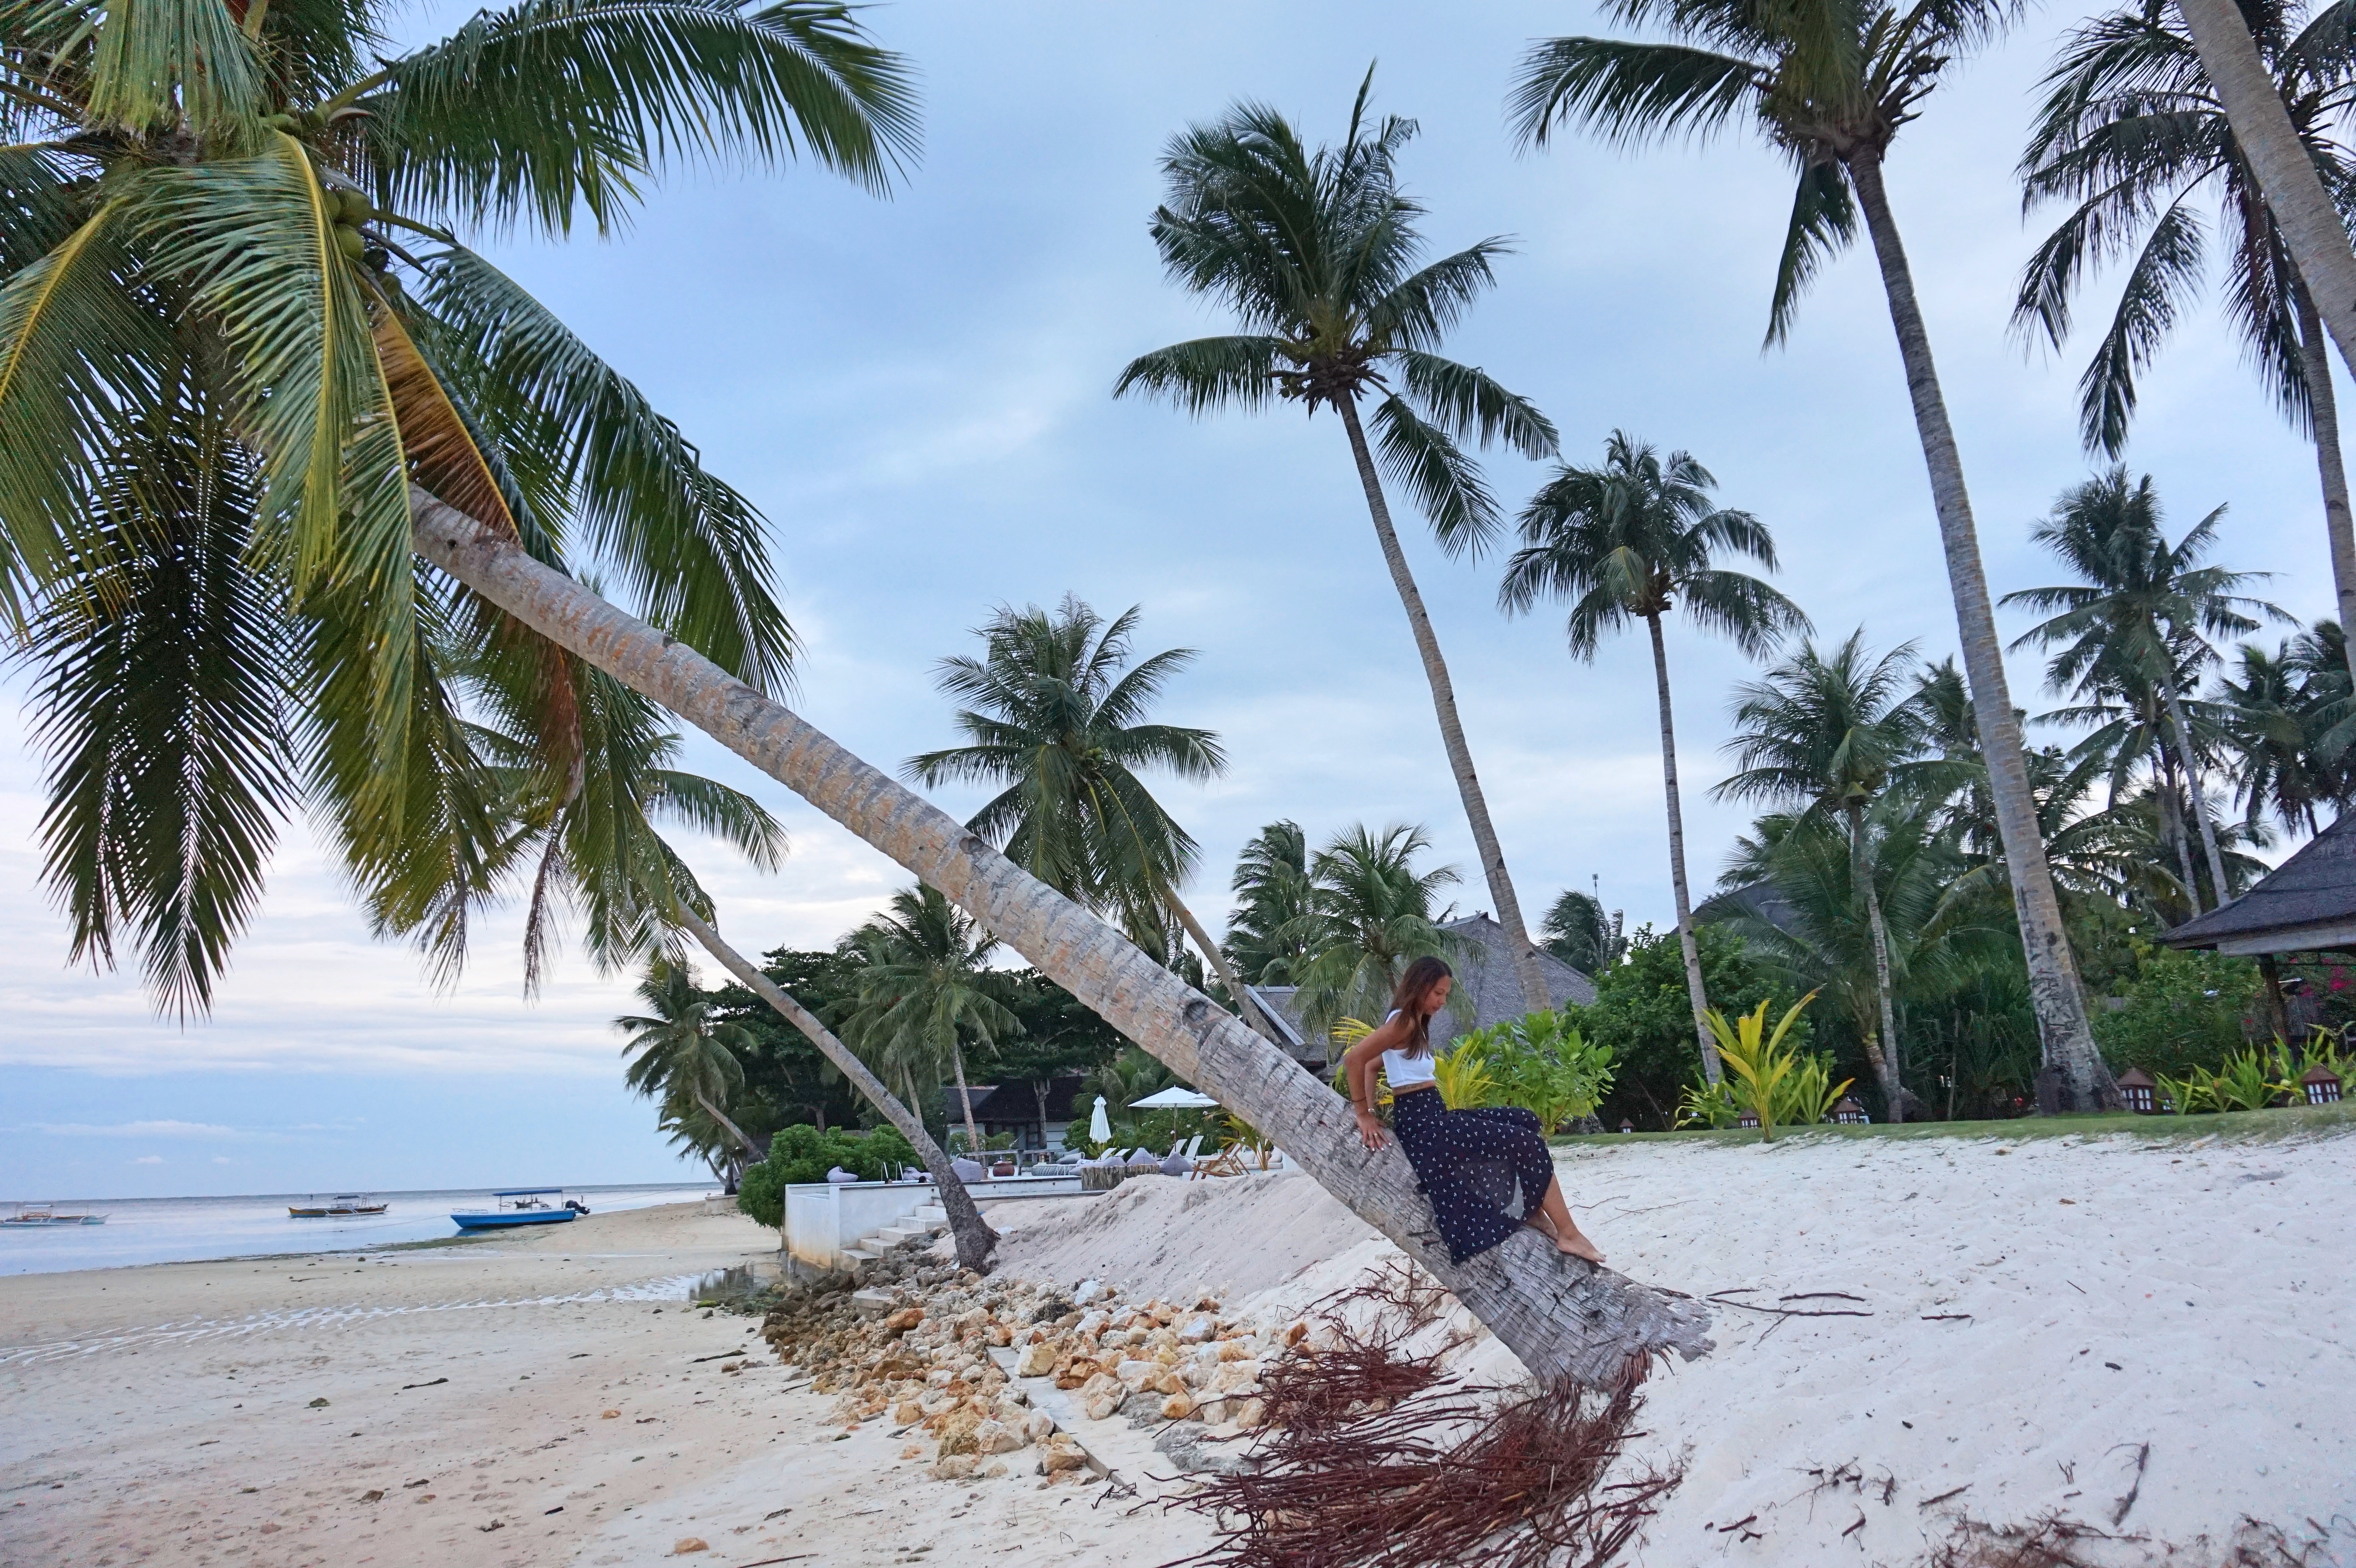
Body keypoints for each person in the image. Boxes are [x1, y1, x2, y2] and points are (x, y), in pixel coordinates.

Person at [1340, 956, 1604, 1266]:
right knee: (1528, 1143)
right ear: (1421, 987)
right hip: (1425, 1126)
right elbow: (1356, 1060)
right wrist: (1364, 1114)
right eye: (1438, 993)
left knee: (1526, 1120)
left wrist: (1374, 1108)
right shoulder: (1405, 1022)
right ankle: (1568, 1233)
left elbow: (1374, 1066)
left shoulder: (1410, 1024)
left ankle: (1531, 1209)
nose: (1442, 1001)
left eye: (1445, 995)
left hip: (1432, 1114)